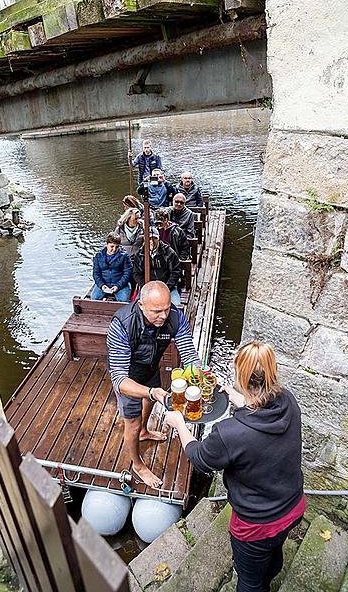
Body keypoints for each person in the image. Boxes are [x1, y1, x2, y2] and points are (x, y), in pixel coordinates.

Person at [166, 342, 305, 592]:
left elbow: (199, 457)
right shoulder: (289, 402)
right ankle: (269, 574)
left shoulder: (229, 433)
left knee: (249, 582)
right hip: (293, 506)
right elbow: (261, 420)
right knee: (274, 554)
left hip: (257, 523)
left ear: (241, 376)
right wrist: (243, 401)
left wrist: (180, 424)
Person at [107, 281, 201, 488]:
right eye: (157, 311)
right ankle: (138, 465)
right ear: (141, 305)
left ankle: (144, 432)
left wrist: (200, 375)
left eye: (167, 309)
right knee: (131, 421)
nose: (164, 316)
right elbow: (119, 380)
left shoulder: (175, 317)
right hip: (128, 377)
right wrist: (151, 392)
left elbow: (188, 353)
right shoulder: (122, 324)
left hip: (150, 368)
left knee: (150, 401)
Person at [133, 227, 182, 306]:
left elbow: (176, 272)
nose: (151, 242)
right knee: (136, 306)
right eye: (148, 239)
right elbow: (136, 273)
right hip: (148, 287)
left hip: (167, 286)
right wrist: (145, 286)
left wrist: (166, 287)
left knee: (176, 306)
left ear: (158, 239)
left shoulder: (169, 252)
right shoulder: (140, 254)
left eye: (154, 238)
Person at [91, 232, 133, 302]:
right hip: (104, 283)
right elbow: (96, 273)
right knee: (94, 299)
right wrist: (102, 285)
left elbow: (128, 273)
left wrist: (118, 286)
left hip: (120, 284)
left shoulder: (124, 256)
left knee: (124, 301)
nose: (114, 249)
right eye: (112, 246)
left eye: (117, 247)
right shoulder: (98, 256)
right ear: (106, 244)